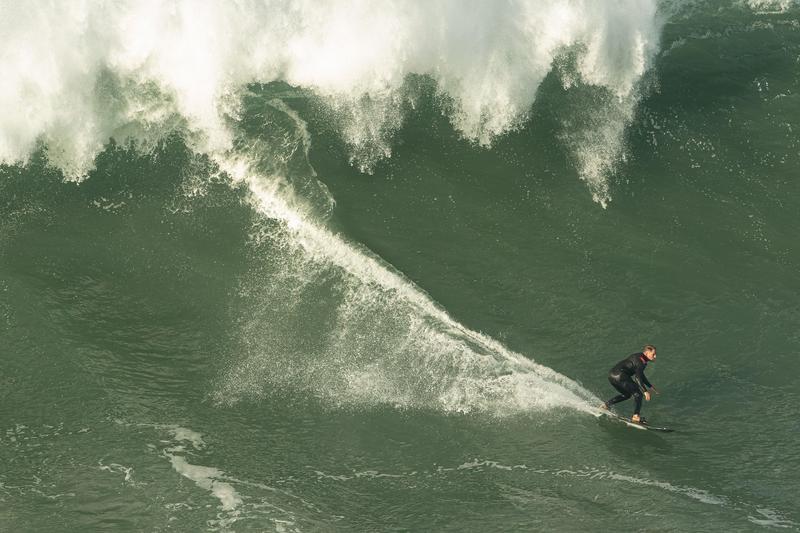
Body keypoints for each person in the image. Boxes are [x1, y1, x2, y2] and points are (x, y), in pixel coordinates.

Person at [601, 345, 658, 423]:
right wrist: (645, 391)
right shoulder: (641, 362)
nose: (655, 356)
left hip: (612, 375)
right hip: (620, 375)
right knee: (638, 394)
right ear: (647, 353)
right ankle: (636, 416)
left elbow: (640, 374)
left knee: (627, 395)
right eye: (653, 354)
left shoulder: (639, 357)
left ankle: (606, 405)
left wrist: (650, 386)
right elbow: (637, 378)